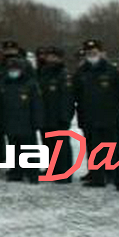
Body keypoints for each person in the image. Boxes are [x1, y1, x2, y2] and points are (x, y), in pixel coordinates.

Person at [72, 39, 119, 191]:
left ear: (101, 53)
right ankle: (97, 178)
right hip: (89, 117)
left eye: (95, 53)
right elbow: (76, 94)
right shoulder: (81, 72)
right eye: (89, 53)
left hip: (110, 117)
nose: (92, 55)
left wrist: (112, 107)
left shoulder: (111, 70)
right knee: (94, 150)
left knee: (114, 150)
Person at [0, 57, 43, 183]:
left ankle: (33, 173)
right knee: (14, 149)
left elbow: (37, 105)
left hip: (27, 123)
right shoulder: (3, 84)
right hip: (9, 122)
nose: (13, 71)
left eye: (16, 69)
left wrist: (37, 122)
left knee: (29, 149)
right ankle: (16, 172)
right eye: (11, 69)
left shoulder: (30, 84)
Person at [37, 46, 75, 183]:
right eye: (49, 56)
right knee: (48, 144)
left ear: (59, 58)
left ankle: (64, 173)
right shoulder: (43, 72)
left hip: (58, 116)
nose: (50, 59)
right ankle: (52, 169)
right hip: (45, 115)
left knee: (62, 146)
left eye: (54, 56)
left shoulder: (63, 74)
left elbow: (67, 97)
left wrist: (65, 117)